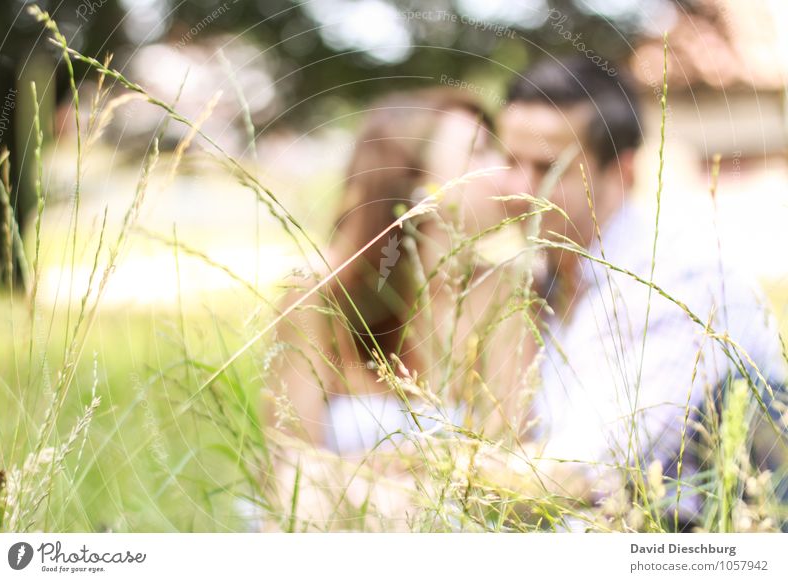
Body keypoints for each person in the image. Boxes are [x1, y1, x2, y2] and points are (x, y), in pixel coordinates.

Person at [496, 56, 788, 526]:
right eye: (509, 161)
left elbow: (584, 471)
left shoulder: (682, 278)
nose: (517, 189)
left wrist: (420, 478)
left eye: (548, 168)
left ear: (623, 170)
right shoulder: (532, 282)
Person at [273, 88, 532, 457]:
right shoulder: (316, 293)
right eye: (479, 152)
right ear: (414, 181)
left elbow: (508, 450)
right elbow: (288, 459)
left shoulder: (502, 292)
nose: (508, 174)